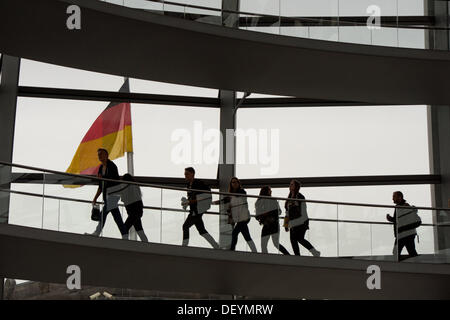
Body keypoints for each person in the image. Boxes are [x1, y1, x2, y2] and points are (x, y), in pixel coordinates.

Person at [86, 148, 127, 239]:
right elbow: (101, 186)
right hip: (107, 196)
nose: (99, 156)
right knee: (117, 217)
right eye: (98, 155)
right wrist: (95, 198)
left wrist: (103, 178)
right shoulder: (100, 168)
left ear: (106, 155)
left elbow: (113, 180)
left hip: (114, 195)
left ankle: (97, 232)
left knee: (103, 213)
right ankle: (125, 234)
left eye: (101, 154)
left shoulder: (112, 166)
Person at [213, 177, 257, 252]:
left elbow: (236, 198)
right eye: (233, 182)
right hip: (240, 218)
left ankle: (232, 250)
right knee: (246, 236)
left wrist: (225, 201)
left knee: (235, 233)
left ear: (238, 183)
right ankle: (254, 251)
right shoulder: (232, 195)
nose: (234, 184)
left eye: (236, 182)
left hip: (244, 217)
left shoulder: (242, 191)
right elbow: (227, 200)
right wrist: (216, 202)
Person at [181, 167, 219, 249]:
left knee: (185, 226)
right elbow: (192, 198)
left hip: (197, 210)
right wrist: (187, 202)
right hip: (195, 210)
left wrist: (191, 201)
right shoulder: (189, 185)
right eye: (185, 174)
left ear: (192, 174)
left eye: (187, 174)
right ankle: (215, 246)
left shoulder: (199, 183)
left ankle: (184, 246)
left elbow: (205, 196)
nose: (185, 176)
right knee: (202, 231)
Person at [107, 174, 149, 242]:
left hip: (133, 212)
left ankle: (125, 243)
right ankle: (146, 245)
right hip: (137, 211)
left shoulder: (127, 186)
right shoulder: (134, 186)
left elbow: (120, 193)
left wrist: (109, 191)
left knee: (125, 228)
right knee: (139, 230)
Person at [284, 179, 320, 257]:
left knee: (299, 238)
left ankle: (314, 252)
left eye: (292, 184)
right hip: (293, 223)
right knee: (293, 240)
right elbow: (287, 212)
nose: (290, 186)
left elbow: (304, 211)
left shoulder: (300, 197)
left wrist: (302, 221)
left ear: (296, 187)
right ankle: (298, 256)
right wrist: (286, 224)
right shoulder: (289, 198)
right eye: (290, 184)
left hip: (301, 222)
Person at [255, 186, 290, 255]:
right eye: (269, 190)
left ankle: (288, 255)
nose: (271, 192)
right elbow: (257, 216)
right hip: (268, 224)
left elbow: (279, 212)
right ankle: (287, 256)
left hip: (273, 224)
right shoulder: (259, 202)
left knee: (274, 244)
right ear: (266, 191)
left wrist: (267, 213)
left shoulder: (272, 200)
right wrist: (263, 215)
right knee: (265, 244)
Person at [386, 191, 420, 261]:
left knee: (396, 253)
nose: (392, 198)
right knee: (412, 252)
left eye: (394, 196)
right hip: (409, 233)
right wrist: (391, 219)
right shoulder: (405, 206)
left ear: (400, 197)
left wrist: (390, 219)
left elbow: (399, 220)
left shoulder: (400, 207)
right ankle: (416, 266)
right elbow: (400, 219)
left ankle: (402, 266)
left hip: (403, 234)